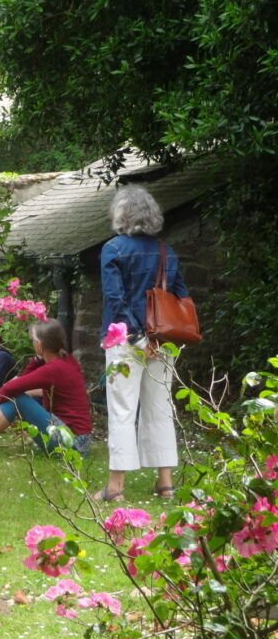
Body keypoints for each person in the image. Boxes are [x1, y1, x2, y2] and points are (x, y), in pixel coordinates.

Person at [96, 185, 188, 501]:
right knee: (160, 409)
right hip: (163, 342)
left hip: (124, 341)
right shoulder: (167, 252)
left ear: (121, 215)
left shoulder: (112, 249)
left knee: (122, 410)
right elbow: (180, 298)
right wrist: (156, 338)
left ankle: (115, 488)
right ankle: (165, 485)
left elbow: (114, 297)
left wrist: (137, 337)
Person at [0, 319, 92, 459]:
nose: (32, 343)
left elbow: (11, 387)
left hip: (73, 446)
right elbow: (22, 380)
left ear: (39, 344)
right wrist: (38, 358)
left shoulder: (54, 369)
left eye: (32, 340)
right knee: (16, 397)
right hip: (73, 438)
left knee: (17, 398)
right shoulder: (65, 360)